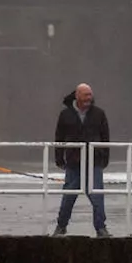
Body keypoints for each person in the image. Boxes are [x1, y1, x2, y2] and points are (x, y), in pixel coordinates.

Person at [52, 83, 111, 237]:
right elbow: (59, 138)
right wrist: (59, 158)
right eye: (85, 95)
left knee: (97, 196)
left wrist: (105, 158)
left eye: (90, 95)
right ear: (77, 96)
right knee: (68, 196)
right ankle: (61, 226)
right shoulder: (65, 115)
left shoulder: (99, 114)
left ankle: (100, 228)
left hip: (94, 161)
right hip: (73, 162)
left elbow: (105, 138)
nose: (89, 98)